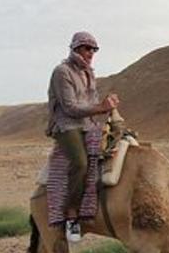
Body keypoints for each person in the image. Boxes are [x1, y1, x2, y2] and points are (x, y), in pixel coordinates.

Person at [46, 31, 119, 242]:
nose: (91, 53)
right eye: (87, 48)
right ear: (76, 48)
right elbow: (69, 108)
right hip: (67, 125)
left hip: (87, 123)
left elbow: (92, 101)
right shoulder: (62, 72)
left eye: (94, 49)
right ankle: (71, 215)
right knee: (80, 163)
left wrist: (106, 107)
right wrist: (99, 107)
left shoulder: (89, 73)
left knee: (117, 145)